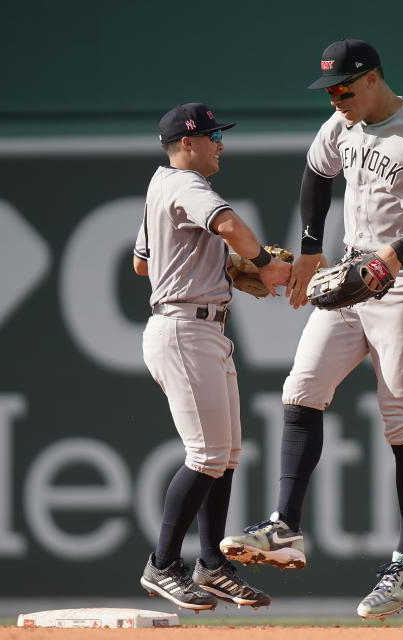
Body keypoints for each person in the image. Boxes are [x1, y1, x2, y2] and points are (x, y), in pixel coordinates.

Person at [220, 39, 403, 619]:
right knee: (301, 389)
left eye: (344, 88)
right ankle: (285, 526)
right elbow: (315, 173)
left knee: (402, 420)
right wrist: (311, 249)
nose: (335, 99)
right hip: (352, 270)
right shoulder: (341, 126)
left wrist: (393, 255)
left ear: (373, 79)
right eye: (330, 91)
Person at [133, 102, 291, 611]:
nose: (220, 143)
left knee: (224, 457)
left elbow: (142, 264)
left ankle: (212, 565)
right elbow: (227, 224)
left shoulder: (160, 187)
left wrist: (215, 270)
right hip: (184, 328)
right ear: (186, 143)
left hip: (201, 325)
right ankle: (162, 565)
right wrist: (263, 264)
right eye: (212, 136)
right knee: (205, 456)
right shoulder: (185, 185)